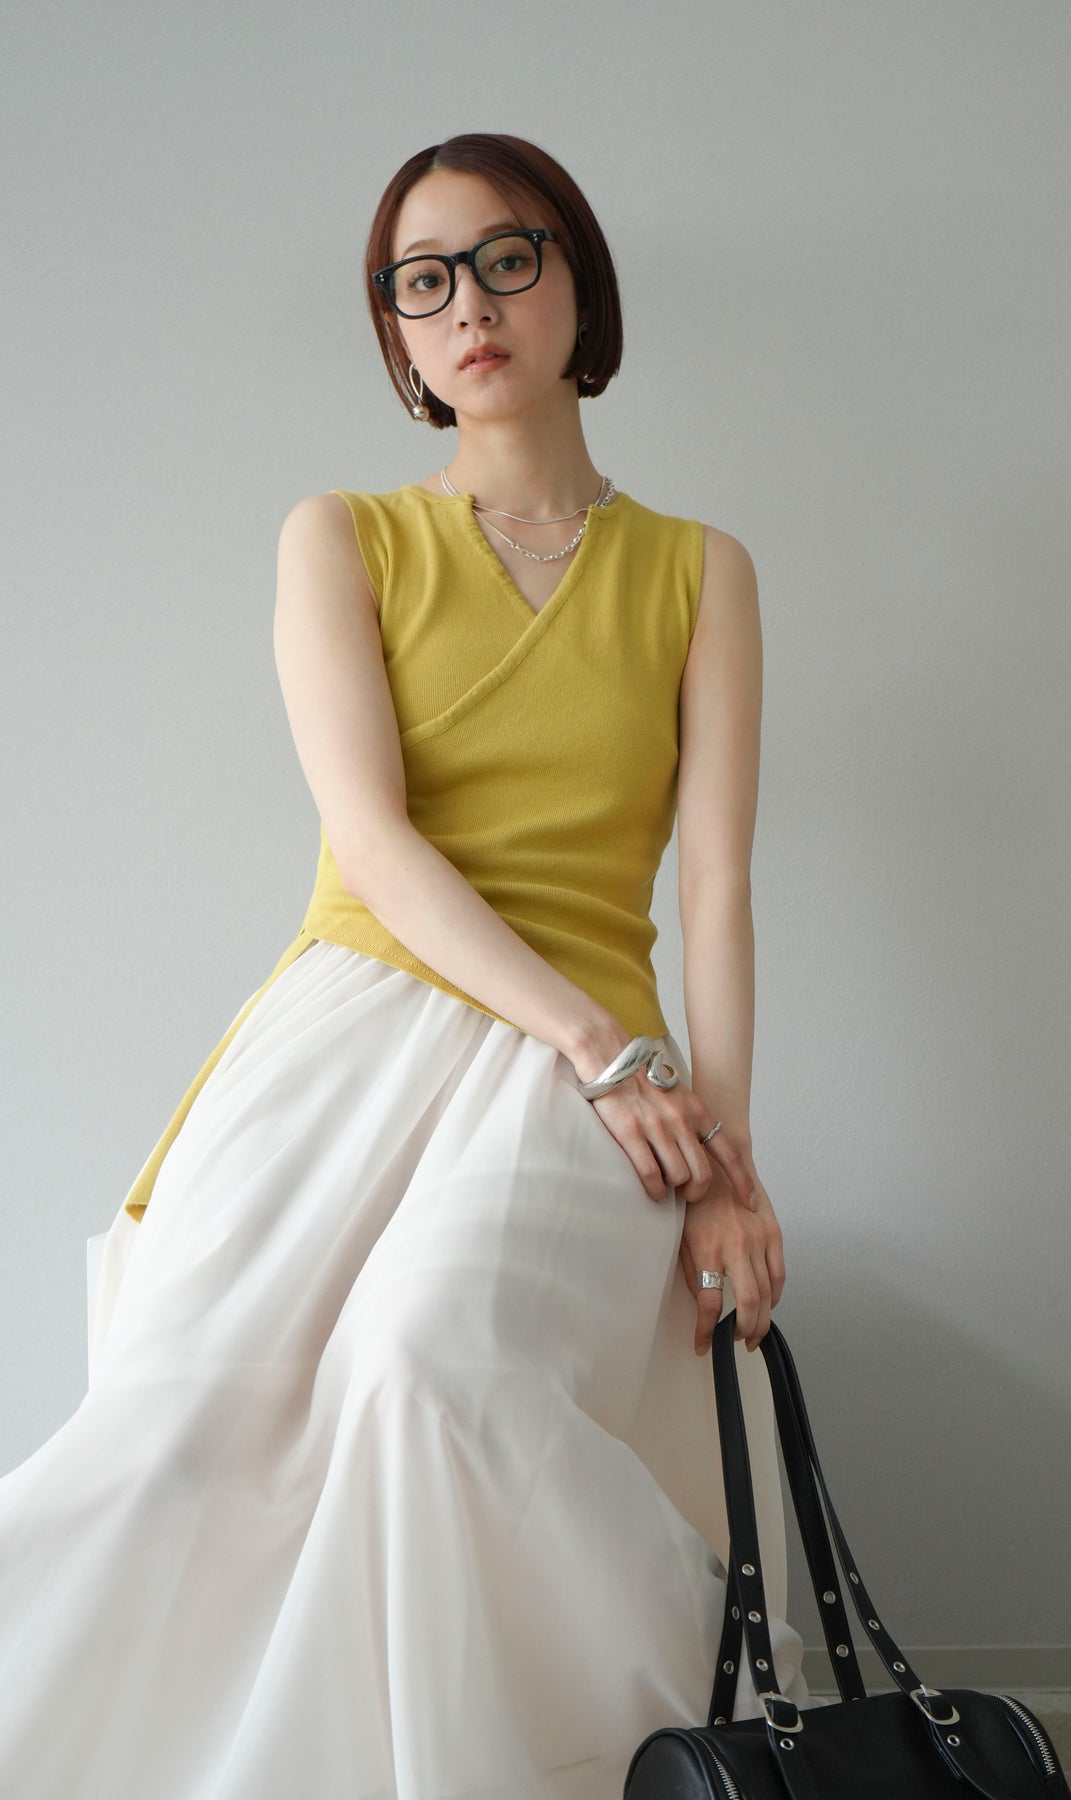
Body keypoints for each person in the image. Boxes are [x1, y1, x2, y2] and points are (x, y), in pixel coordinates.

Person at [0, 131, 815, 1797]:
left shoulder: (698, 569)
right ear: (394, 328)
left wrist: (727, 1169)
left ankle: (603, 1748)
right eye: (421, 281)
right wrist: (599, 1045)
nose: (469, 308)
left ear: (577, 280)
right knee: (182, 1403)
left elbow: (717, 888)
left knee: (426, 1369)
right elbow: (370, 845)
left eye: (507, 259)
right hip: (369, 1023)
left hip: (583, 1081)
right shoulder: (340, 536)